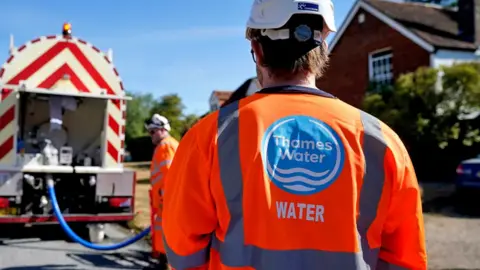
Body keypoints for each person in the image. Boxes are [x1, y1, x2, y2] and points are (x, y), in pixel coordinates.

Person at [162, 0, 427, 269]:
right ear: (324, 48)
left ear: (257, 50)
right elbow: (405, 258)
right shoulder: (382, 141)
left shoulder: (209, 136)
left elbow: (182, 251)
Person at [144, 114, 178, 264]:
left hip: (168, 200)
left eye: (153, 131)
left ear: (163, 130)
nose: (150, 135)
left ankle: (166, 263)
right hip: (166, 200)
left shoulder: (165, 146)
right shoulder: (167, 145)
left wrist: (166, 198)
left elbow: (170, 175)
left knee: (168, 234)